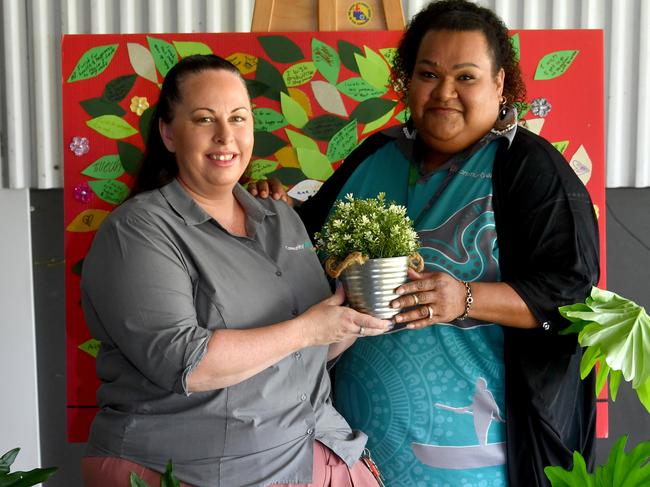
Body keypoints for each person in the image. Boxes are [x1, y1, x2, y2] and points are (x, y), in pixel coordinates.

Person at [250, 1, 601, 485]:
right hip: (350, 453)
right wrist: (279, 208)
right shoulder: (377, 154)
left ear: (500, 84)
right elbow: (309, 248)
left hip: (482, 461)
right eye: (429, 74)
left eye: (466, 77)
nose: (445, 93)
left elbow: (572, 295)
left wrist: (466, 297)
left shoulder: (529, 170)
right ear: (407, 81)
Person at [79, 54, 391, 487]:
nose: (226, 136)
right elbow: (186, 363)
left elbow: (309, 349)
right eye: (205, 119)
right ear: (169, 133)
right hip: (199, 469)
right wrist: (307, 330)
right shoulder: (137, 230)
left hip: (318, 447)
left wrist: (357, 317)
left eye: (238, 118)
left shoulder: (281, 218)